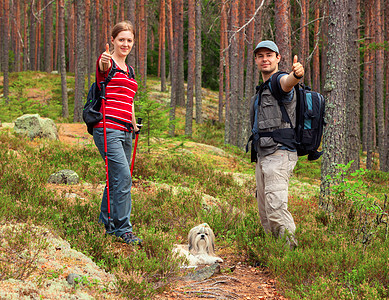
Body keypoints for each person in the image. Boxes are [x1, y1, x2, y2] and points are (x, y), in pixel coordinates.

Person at [249, 40, 304, 249]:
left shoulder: (278, 81)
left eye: (269, 55)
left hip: (279, 154)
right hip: (264, 155)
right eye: (260, 55)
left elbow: (288, 83)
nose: (265, 59)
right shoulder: (261, 89)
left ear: (278, 58)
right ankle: (274, 254)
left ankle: (289, 256)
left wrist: (296, 75)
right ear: (256, 60)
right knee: (265, 211)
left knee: (276, 208)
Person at [93, 21, 142, 245]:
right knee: (123, 177)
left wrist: (133, 123)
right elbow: (102, 70)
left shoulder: (129, 70)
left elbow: (129, 100)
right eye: (121, 39)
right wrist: (104, 61)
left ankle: (107, 223)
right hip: (107, 128)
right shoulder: (107, 63)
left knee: (115, 178)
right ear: (112, 40)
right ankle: (123, 229)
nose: (125, 44)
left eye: (129, 40)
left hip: (125, 130)